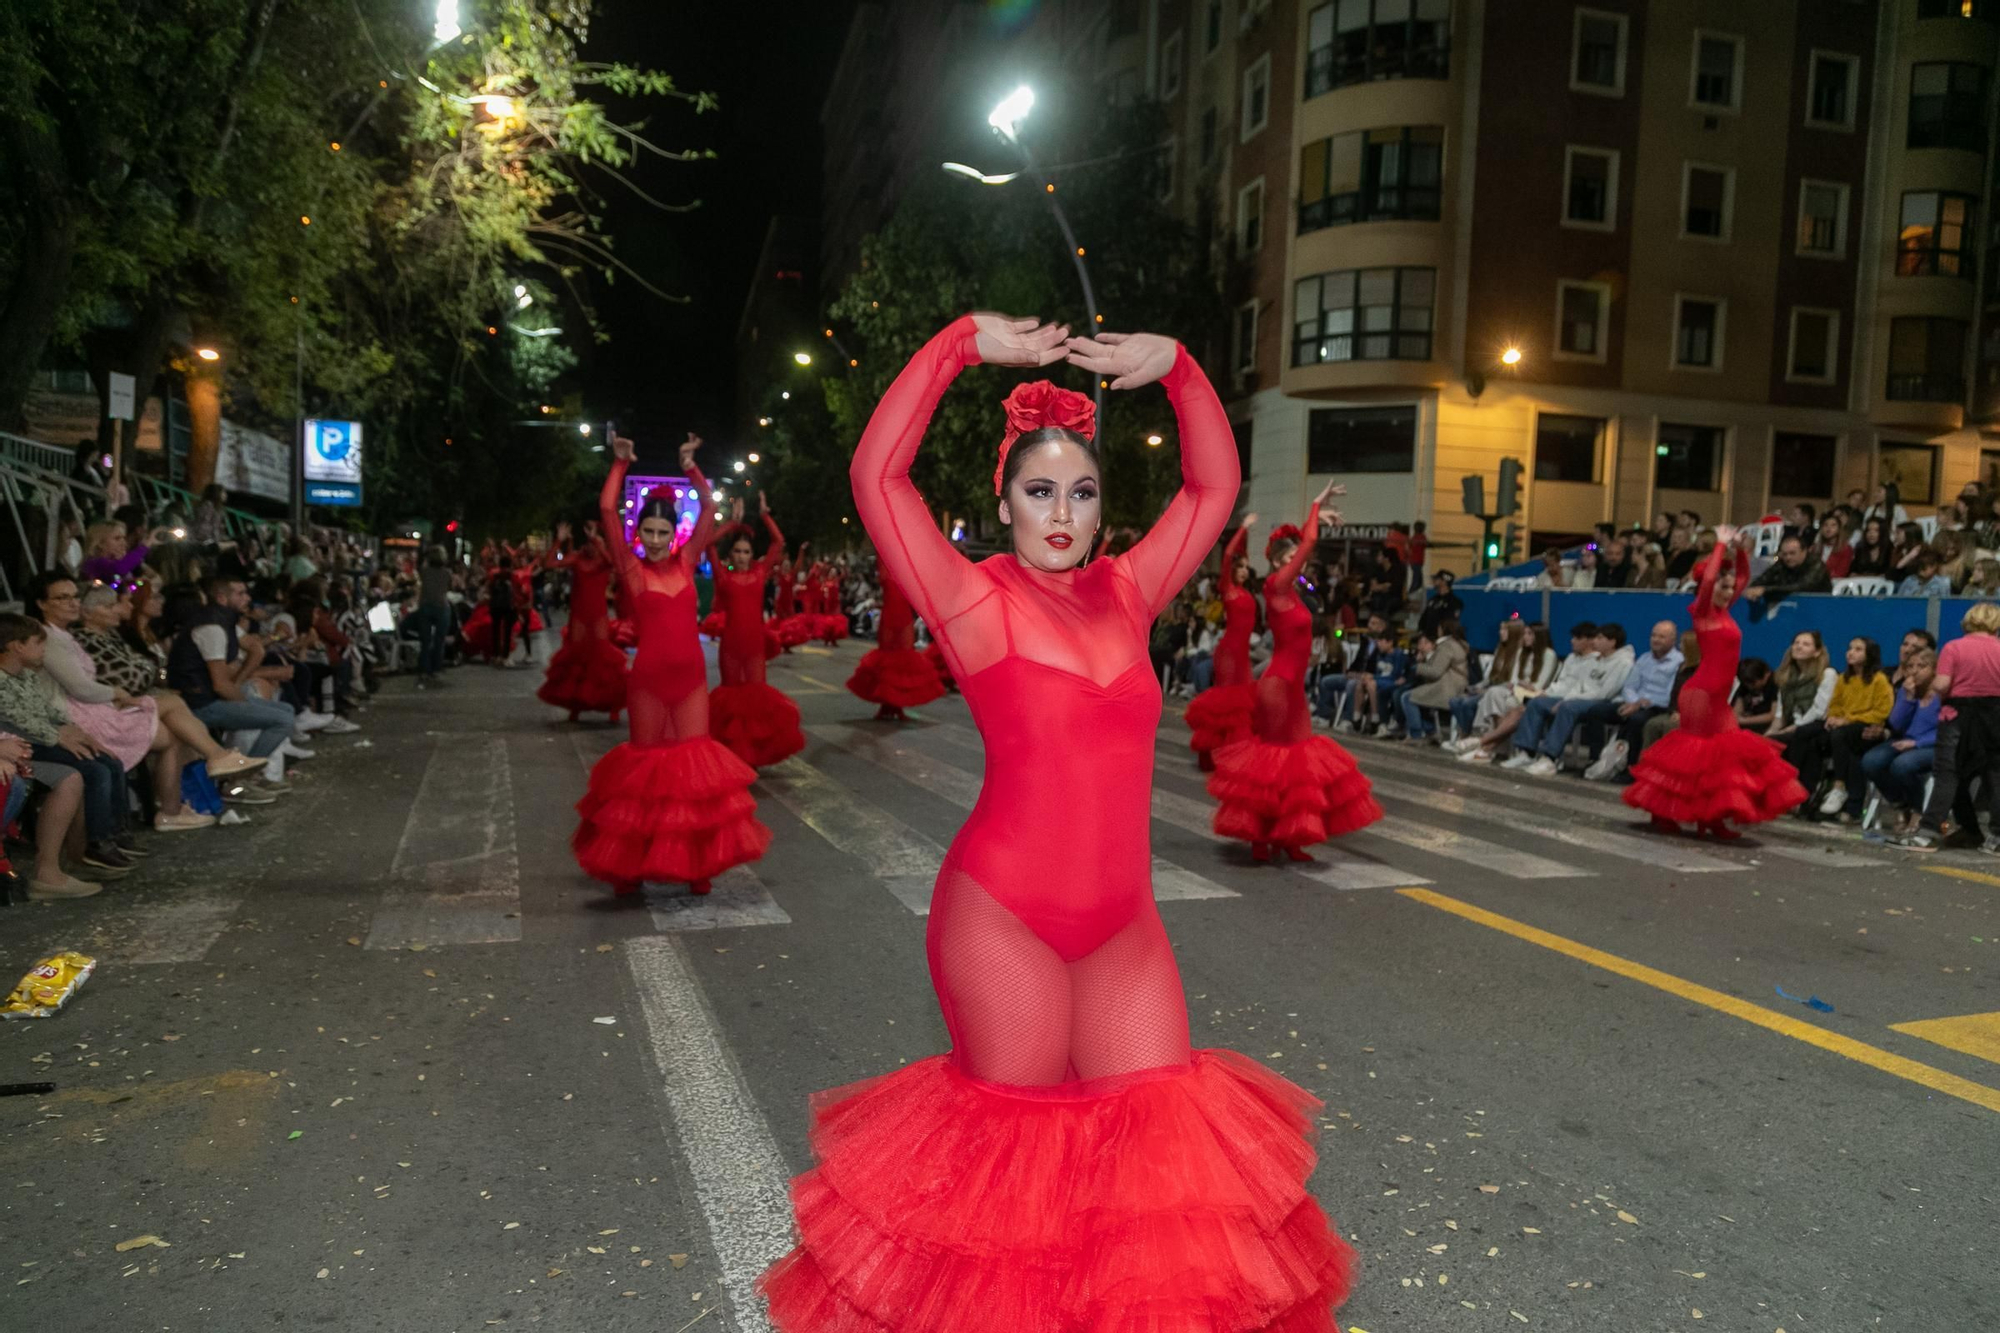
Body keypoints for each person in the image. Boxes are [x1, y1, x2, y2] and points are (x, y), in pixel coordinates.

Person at [759, 315, 1354, 1330]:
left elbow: (1212, 488)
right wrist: (954, 345)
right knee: (1014, 1208)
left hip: (1124, 931)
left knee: (1155, 1193)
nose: (1062, 512)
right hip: (1004, 924)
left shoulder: (1128, 591)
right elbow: (876, 479)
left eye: (1081, 492)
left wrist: (1179, 366)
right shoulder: (970, 600)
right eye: (1039, 492)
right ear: (1003, 503)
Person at [573, 434, 770, 897]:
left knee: (692, 776)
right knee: (644, 777)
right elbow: (606, 511)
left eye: (663, 533)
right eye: (648, 533)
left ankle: (696, 864)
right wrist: (619, 465)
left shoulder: (689, 560)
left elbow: (705, 506)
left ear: (674, 533)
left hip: (690, 683)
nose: (656, 541)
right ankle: (633, 866)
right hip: (646, 684)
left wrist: (691, 467)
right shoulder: (631, 569)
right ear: (637, 533)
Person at [1210, 482, 1381, 858]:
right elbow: (1307, 547)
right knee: (1271, 763)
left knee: (1298, 765)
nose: (1297, 564)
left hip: (1293, 688)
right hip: (1276, 686)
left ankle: (1290, 837)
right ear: (1277, 562)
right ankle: (1259, 837)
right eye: (1291, 560)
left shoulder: (1292, 593)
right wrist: (1317, 506)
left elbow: (1304, 550)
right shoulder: (1276, 584)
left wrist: (1314, 521)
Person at [1622, 531, 1806, 836]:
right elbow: (1707, 582)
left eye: (1730, 586)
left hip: (1718, 696)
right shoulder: (1703, 611)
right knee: (1697, 755)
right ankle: (1671, 813)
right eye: (1724, 585)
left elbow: (1744, 577)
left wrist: (1740, 550)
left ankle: (1711, 817)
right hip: (1702, 693)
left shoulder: (1722, 610)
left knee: (1719, 758)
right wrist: (1720, 544)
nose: (1730, 588)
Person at [0, 613, 139, 872]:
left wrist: (76, 731)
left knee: (108, 759)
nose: (45, 650)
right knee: (92, 769)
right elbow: (19, 719)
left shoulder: (27, 676)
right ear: (17, 646)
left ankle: (116, 830)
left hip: (39, 739)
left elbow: (47, 710)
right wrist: (58, 737)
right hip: (25, 745)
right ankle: (97, 841)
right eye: (39, 643)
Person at [164, 576, 302, 784]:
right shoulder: (212, 628)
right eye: (240, 594)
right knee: (283, 720)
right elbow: (220, 683)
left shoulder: (223, 620)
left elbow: (256, 649)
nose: (247, 598)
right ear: (221, 598)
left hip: (209, 695)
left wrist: (238, 683)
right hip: (199, 703)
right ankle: (241, 777)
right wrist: (240, 697)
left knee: (286, 710)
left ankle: (244, 772)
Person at [1893, 602, 2000, 852]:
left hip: (1957, 717)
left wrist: (1930, 689)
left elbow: (1942, 683)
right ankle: (1995, 837)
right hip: (1995, 718)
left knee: (1947, 774)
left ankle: (1927, 832)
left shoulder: (1954, 647)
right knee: (1995, 776)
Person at [708, 496, 806, 763]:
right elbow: (708, 544)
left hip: (754, 646)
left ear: (752, 555)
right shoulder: (723, 575)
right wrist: (732, 523)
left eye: (746, 552)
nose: (741, 556)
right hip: (730, 646)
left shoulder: (761, 572)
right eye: (737, 551)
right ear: (731, 555)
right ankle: (731, 754)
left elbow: (778, 541)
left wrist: (765, 516)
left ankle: (750, 753)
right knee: (730, 699)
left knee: (754, 698)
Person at [1501, 623, 1634, 775]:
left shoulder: (1623, 662)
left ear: (1612, 642)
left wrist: (1568, 701)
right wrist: (1567, 698)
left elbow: (1605, 693)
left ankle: (1550, 758)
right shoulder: (1597, 660)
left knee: (1567, 708)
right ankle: (1527, 753)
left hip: (1601, 703)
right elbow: (1579, 685)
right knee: (1537, 703)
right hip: (1577, 698)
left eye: (1600, 638)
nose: (1595, 641)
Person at [1184, 517, 1259, 769]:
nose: (1245, 571)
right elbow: (1228, 554)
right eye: (1242, 567)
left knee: (1243, 704)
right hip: (1227, 652)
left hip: (1242, 654)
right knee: (1226, 703)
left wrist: (1246, 539)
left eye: (1247, 568)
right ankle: (1214, 754)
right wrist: (1243, 528)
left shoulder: (1247, 593)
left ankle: (1237, 752)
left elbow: (1238, 554)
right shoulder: (1228, 589)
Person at [535, 523, 626, 719]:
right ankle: (576, 705)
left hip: (598, 616)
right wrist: (558, 539)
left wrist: (596, 540)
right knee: (577, 658)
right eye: (590, 539)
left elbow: (614, 562)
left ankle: (612, 707)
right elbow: (547, 564)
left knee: (602, 658)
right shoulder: (578, 559)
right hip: (579, 617)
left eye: (596, 539)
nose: (592, 543)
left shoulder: (604, 560)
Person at [1583, 620, 1683, 781]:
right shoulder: (1644, 658)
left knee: (1636, 720)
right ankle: (1597, 761)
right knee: (1596, 712)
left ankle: (1630, 768)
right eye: (1653, 635)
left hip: (1657, 706)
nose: (1655, 640)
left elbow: (1671, 694)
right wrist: (1634, 702)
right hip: (1633, 702)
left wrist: (1640, 704)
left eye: (1662, 637)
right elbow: (1629, 686)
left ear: (1673, 640)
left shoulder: (1678, 662)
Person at [1855, 649, 1941, 834]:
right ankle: (1900, 804)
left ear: (1934, 669)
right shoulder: (1907, 689)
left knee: (1902, 765)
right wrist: (1908, 699)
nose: (1915, 671)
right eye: (1910, 666)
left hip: (1933, 745)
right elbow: (1896, 724)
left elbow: (1945, 729)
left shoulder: (1942, 693)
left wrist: (1916, 744)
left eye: (1921, 666)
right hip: (1905, 739)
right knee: (1871, 761)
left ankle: (1917, 811)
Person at [847, 568, 946, 723]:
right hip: (889, 620)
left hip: (905, 619)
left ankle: (896, 705)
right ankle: (887, 704)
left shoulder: (908, 573)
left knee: (904, 660)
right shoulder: (887, 573)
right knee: (888, 661)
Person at [1809, 638, 1895, 814]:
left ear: (1869, 655)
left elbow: (1882, 711)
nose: (1851, 652)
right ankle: (1816, 796)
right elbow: (1836, 703)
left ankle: (1839, 786)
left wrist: (1848, 719)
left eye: (1858, 649)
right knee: (1827, 741)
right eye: (1850, 648)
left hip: (1868, 727)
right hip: (1846, 728)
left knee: (1841, 736)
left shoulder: (1879, 680)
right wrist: (1833, 717)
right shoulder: (1843, 679)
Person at [1767, 629, 1838, 799]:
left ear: (1817, 651)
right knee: (1764, 742)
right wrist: (1769, 733)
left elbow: (1819, 710)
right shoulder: (1785, 676)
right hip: (1793, 726)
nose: (1799, 647)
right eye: (1796, 643)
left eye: (1805, 644)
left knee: (1801, 736)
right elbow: (1780, 714)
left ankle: (1795, 790)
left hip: (1818, 725)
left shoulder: (1827, 674)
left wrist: (1792, 728)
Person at [1402, 619, 1468, 743]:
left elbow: (1436, 671)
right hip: (1452, 685)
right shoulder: (1458, 644)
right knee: (1420, 696)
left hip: (1447, 688)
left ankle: (1416, 734)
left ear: (1443, 629)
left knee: (1408, 697)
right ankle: (1430, 731)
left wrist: (1418, 667)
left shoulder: (1446, 646)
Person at [1744, 536, 1832, 615]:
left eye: (1792, 553)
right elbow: (1764, 578)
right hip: (1791, 610)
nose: (1788, 558)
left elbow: (1801, 586)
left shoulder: (1816, 565)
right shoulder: (1782, 563)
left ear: (1804, 551)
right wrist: (1753, 589)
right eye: (1785, 554)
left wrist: (1765, 590)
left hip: (1819, 609)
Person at [411, 543, 456, 688]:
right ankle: (436, 667)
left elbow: (421, 567)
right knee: (439, 639)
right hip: (441, 606)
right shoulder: (447, 573)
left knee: (425, 640)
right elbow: (450, 587)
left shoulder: (424, 571)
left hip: (425, 606)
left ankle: (424, 668)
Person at [1416, 569, 1463, 640]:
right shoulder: (1433, 599)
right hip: (1428, 640)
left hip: (1441, 640)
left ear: (1444, 582)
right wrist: (1421, 631)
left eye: (1437, 579)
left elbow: (1449, 624)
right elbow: (1424, 617)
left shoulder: (1454, 602)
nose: (1434, 581)